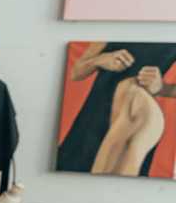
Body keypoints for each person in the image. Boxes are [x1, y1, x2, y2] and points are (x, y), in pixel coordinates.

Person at [58, 42, 176, 177]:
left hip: (136, 118)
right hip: (93, 117)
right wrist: (100, 60)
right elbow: (76, 73)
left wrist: (162, 87)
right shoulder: (112, 26)